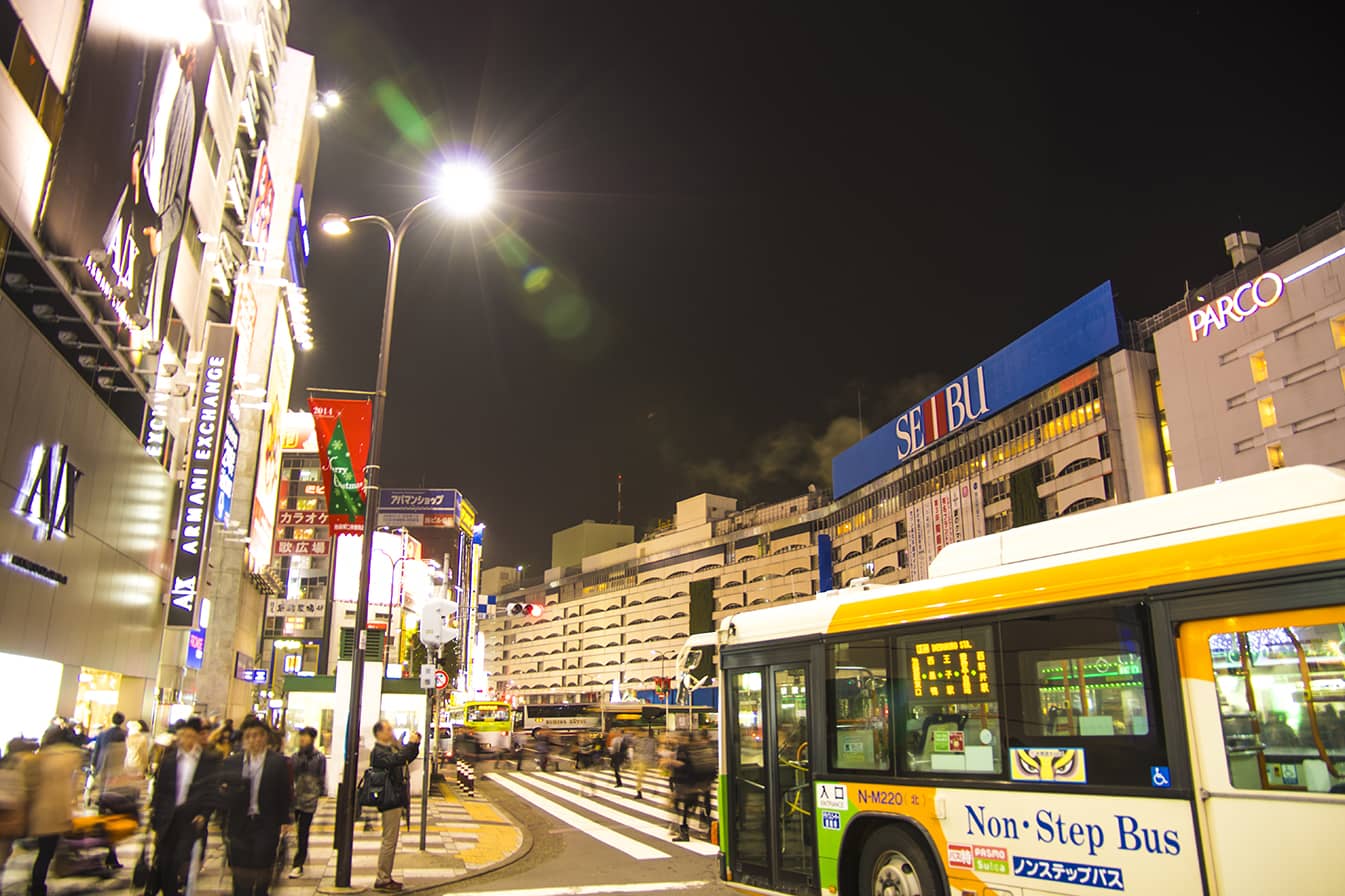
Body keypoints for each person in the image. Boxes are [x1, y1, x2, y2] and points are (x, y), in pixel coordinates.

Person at [149, 718, 221, 896]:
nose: (186, 740)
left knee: (178, 860)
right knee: (164, 862)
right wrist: (155, 815)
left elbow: (211, 789)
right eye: (182, 736)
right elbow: (160, 790)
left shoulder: (208, 760)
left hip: (190, 818)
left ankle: (177, 888)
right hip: (168, 817)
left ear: (197, 737)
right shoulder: (170, 759)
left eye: (190, 736)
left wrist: (204, 813)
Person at [220, 718, 292, 896]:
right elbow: (222, 793)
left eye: (258, 735)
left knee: (262, 868)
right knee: (240, 873)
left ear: (266, 737)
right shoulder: (232, 763)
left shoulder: (278, 763)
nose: (254, 740)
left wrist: (286, 820)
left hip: (266, 824)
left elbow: (285, 793)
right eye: (249, 736)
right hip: (239, 824)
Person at [28, 725, 84, 896]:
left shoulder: (40, 757)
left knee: (42, 852)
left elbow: (32, 784)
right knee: (47, 851)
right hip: (60, 808)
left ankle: (36, 885)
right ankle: (38, 884)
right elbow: (76, 784)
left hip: (40, 808)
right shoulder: (72, 756)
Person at [370, 720, 420, 891]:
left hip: (394, 798)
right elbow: (399, 758)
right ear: (379, 734)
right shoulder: (378, 752)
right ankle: (383, 878)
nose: (391, 732)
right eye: (388, 729)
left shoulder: (390, 748)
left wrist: (414, 744)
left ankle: (385, 876)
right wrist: (411, 745)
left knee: (391, 839)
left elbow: (406, 757)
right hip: (389, 799)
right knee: (389, 840)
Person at [288, 727, 325, 879]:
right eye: (301, 736)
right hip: (295, 798)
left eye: (305, 737)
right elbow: (292, 775)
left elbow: (320, 777)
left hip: (309, 799)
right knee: (293, 830)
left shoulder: (319, 757)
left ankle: (298, 863)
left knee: (303, 831)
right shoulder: (295, 756)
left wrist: (318, 793)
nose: (302, 739)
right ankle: (300, 854)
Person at [0, 737, 38, 876]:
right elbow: (23, 794)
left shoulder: (5, 763)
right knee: (3, 853)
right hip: (8, 817)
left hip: (8, 816)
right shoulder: (21, 766)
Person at [92, 713, 129, 798]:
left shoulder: (103, 733)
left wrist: (94, 763)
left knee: (103, 781)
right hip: (117, 762)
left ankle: (101, 798)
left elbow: (97, 749)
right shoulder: (124, 734)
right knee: (113, 783)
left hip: (103, 759)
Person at [631, 730, 659, 800]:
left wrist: (634, 761)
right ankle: (655, 788)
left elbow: (636, 751)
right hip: (649, 760)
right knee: (651, 776)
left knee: (639, 778)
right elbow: (655, 751)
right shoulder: (652, 741)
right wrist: (655, 759)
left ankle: (639, 792)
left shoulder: (638, 741)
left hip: (642, 761)